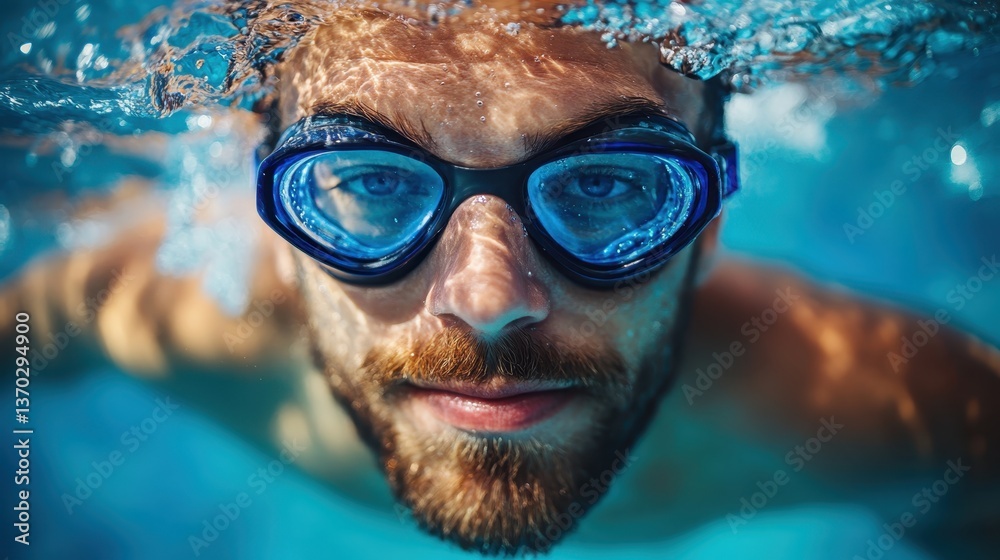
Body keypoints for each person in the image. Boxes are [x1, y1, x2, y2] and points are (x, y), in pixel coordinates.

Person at [3, 3, 999, 556]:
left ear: (706, 225)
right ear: (279, 221)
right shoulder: (153, 312)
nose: (487, 299)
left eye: (608, 183)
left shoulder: (888, 406)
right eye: (366, 182)